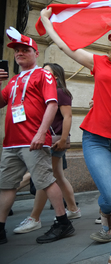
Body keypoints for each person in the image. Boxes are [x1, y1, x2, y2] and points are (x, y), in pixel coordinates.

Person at [41, 9, 111, 264]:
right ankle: (104, 208)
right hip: (96, 138)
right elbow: (67, 47)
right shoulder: (100, 62)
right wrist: (47, 22)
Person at [0, 28, 74, 245]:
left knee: (46, 180)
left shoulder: (44, 75)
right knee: (6, 185)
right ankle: (1, 228)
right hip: (11, 143)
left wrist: (42, 133)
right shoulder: (13, 81)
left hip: (33, 139)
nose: (20, 53)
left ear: (35, 53)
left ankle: (63, 222)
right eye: (17, 51)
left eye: (25, 50)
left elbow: (52, 104)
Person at [13, 63, 81, 235]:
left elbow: (68, 117)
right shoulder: (49, 92)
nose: (42, 74)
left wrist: (64, 139)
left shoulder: (60, 92)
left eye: (46, 72)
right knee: (57, 175)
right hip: (52, 140)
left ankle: (34, 218)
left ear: (56, 76)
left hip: (55, 140)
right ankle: (73, 209)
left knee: (44, 178)